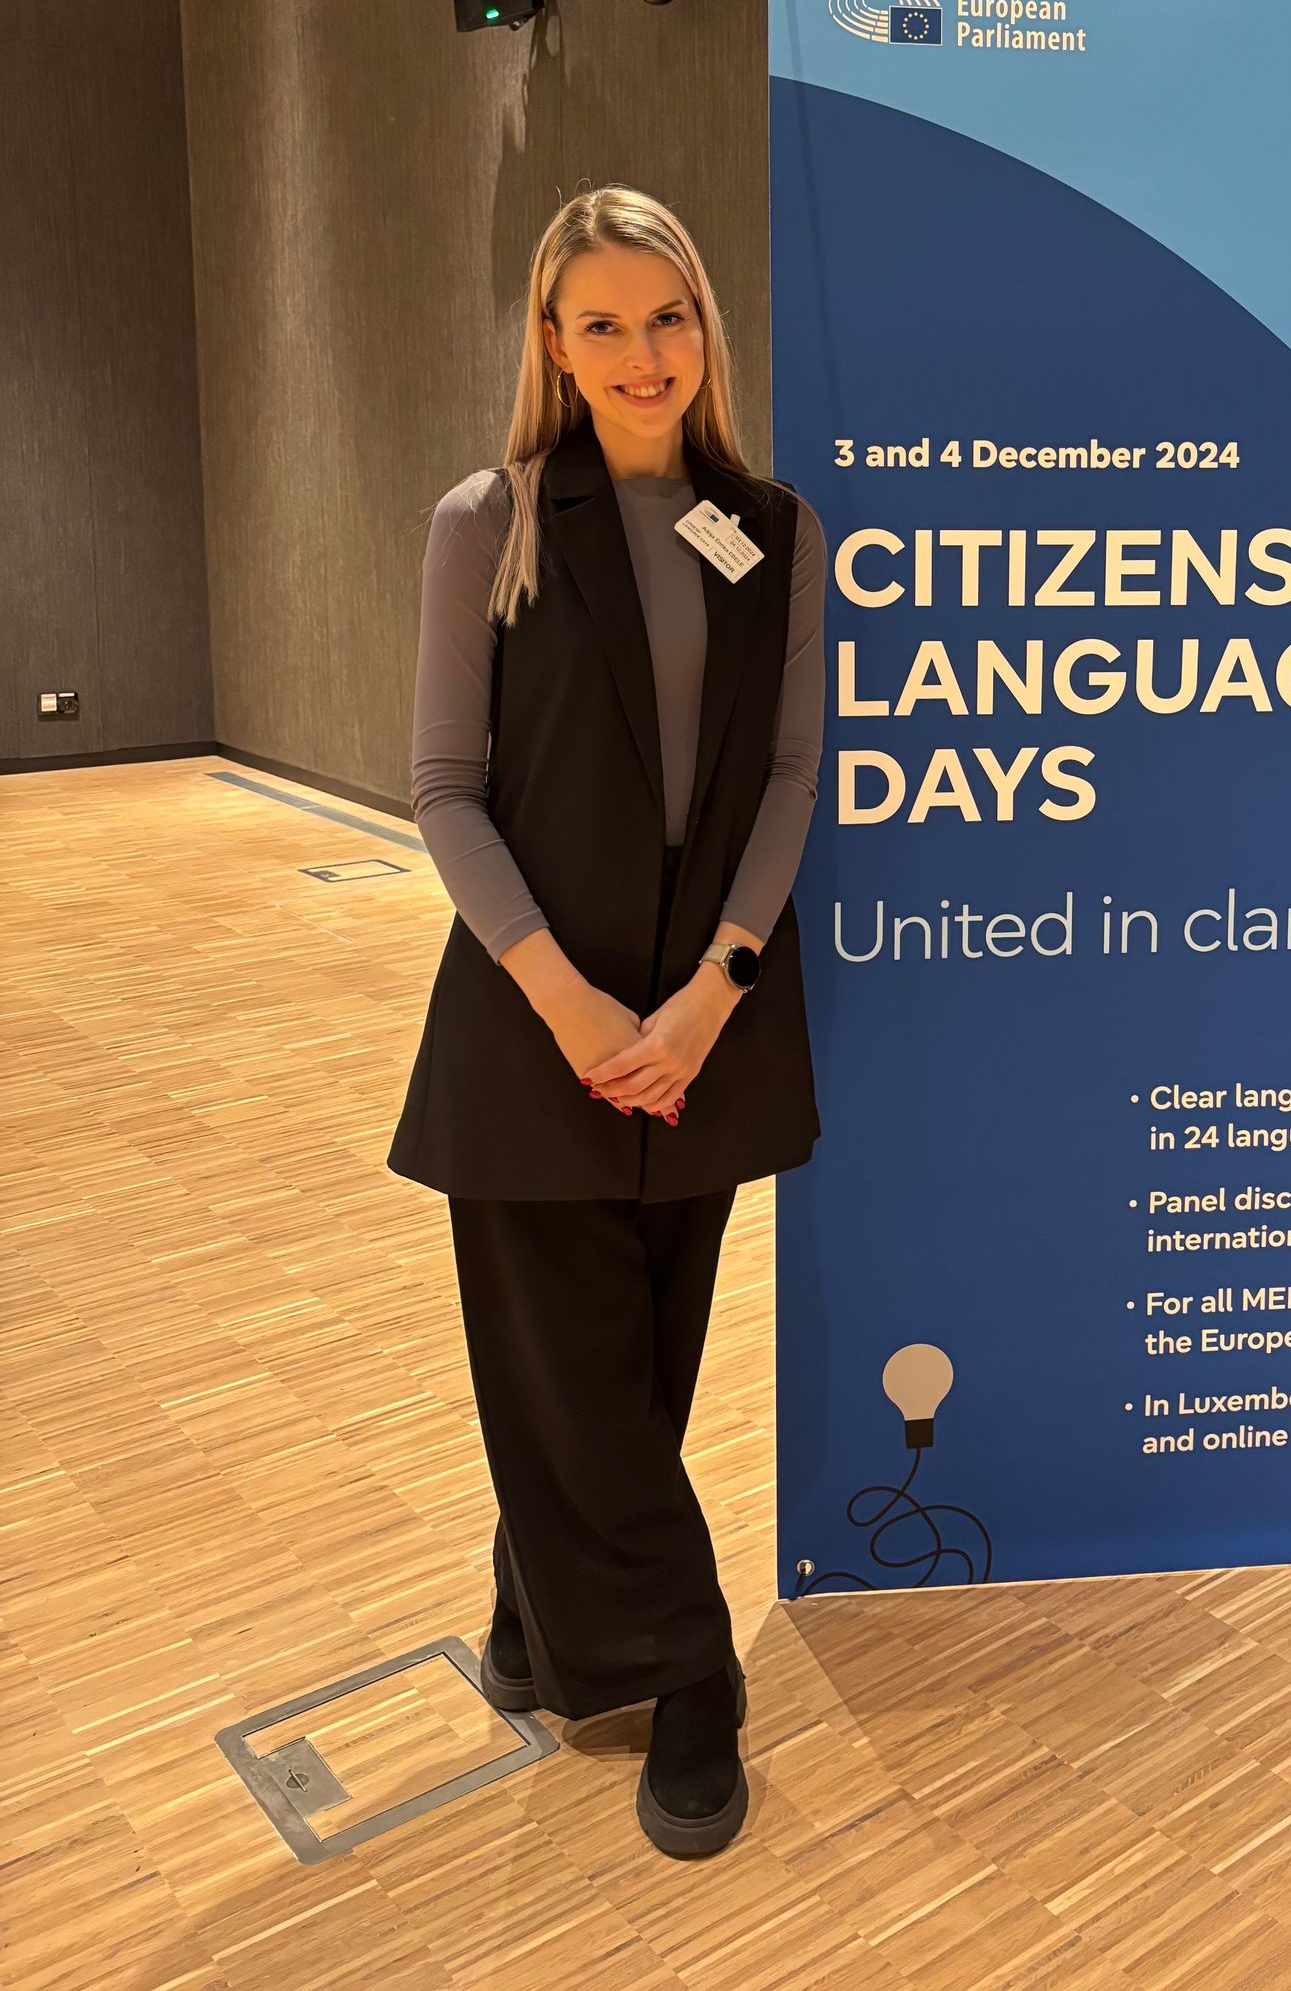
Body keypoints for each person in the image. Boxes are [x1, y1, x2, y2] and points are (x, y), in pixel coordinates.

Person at [387, 184, 826, 1860]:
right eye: (605, 324)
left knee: (635, 1361)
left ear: (705, 326)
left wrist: (715, 992)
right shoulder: (486, 522)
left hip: (703, 1029)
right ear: (554, 345)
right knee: (565, 1365)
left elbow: (789, 775)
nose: (644, 353)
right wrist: (570, 1006)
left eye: (670, 315)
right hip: (535, 1026)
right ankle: (688, 1673)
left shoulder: (771, 527)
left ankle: (535, 1616)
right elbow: (444, 790)